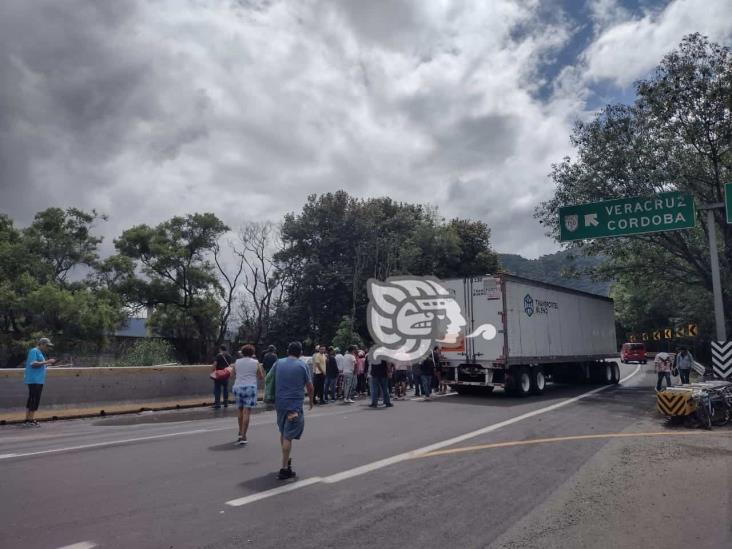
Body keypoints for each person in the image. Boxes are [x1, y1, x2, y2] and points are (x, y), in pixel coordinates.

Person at [272, 341, 314, 480]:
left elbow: (269, 378)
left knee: (284, 432)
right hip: (294, 407)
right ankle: (284, 469)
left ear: (288, 350)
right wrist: (312, 400)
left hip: (280, 404)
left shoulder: (278, 362)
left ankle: (287, 459)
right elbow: (309, 386)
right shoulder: (302, 365)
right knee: (288, 436)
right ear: (300, 353)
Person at [232, 344, 265, 445]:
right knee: (247, 412)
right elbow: (261, 376)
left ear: (242, 352)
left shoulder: (237, 362)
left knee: (240, 411)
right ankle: (243, 436)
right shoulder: (255, 362)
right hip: (250, 387)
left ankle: (240, 432)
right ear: (252, 353)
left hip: (238, 387)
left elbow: (231, 375)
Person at [23, 337, 56, 426]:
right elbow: (33, 364)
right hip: (35, 380)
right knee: (34, 399)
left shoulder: (39, 352)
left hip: (37, 379)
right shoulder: (34, 351)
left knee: (32, 399)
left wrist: (46, 364)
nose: (47, 347)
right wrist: (46, 362)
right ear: (41, 344)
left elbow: (38, 365)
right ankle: (30, 420)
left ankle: (28, 419)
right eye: (46, 345)